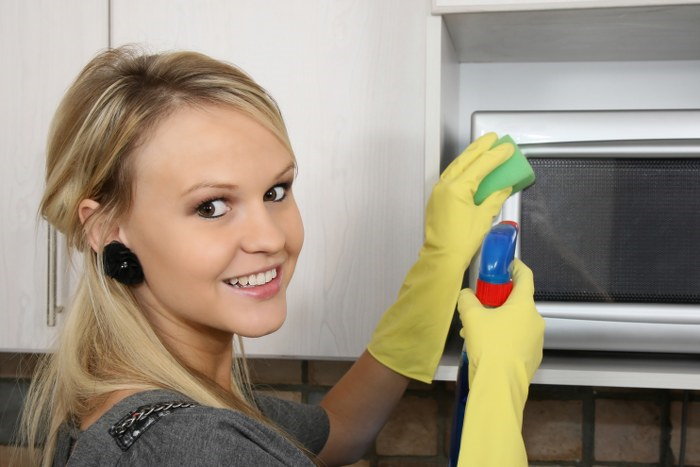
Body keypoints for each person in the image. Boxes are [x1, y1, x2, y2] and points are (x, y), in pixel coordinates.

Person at [18, 46, 544, 467]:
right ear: (109, 228)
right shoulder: (196, 445)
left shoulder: (168, 399)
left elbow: (338, 434)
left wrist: (440, 263)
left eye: (276, 191)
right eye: (212, 206)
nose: (269, 238)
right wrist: (499, 387)